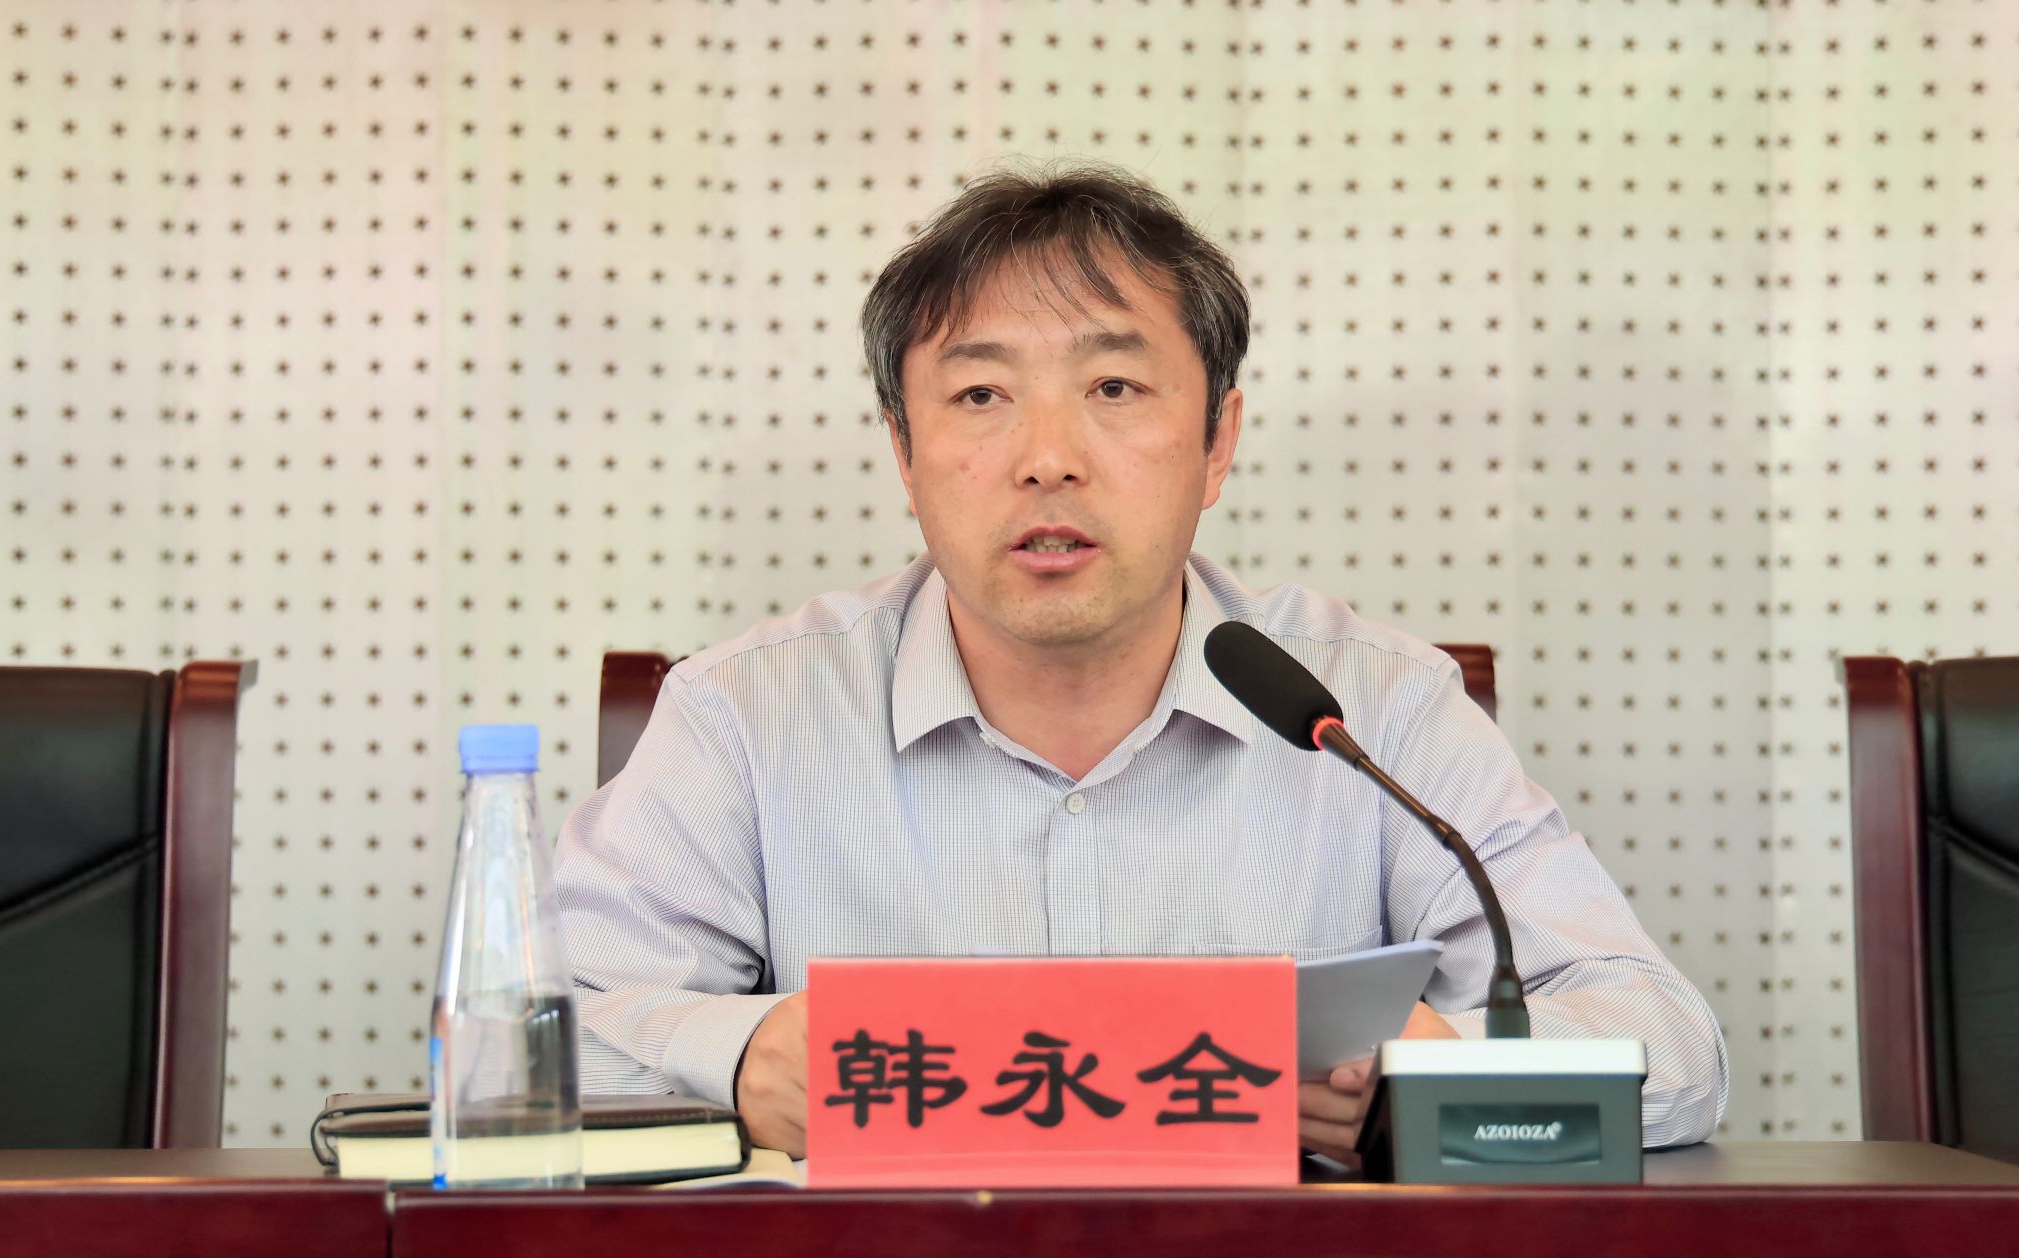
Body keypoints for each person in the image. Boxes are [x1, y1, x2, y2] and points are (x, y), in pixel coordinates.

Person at [554, 162, 1730, 1161]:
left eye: (1112, 387)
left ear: (1217, 441)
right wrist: (738, 1059)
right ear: (903, 456)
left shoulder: (1374, 710)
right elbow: (529, 1049)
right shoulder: (749, 714)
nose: (1046, 457)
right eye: (980, 394)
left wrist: (1433, 1073)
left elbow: (1669, 1050)